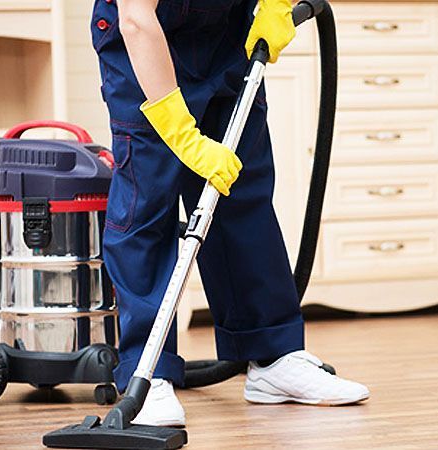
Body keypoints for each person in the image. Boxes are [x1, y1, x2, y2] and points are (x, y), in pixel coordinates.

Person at [90, 0, 369, 426]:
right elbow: (136, 19)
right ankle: (146, 374)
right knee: (147, 207)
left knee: (242, 195)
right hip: (145, 44)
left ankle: (272, 356)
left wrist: (277, 3)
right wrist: (182, 134)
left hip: (225, 38)